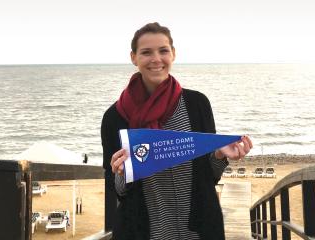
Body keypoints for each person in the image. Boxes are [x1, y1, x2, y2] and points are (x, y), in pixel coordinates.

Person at [101, 22, 253, 240]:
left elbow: (209, 176)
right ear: (134, 57)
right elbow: (117, 190)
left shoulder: (197, 104)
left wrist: (220, 155)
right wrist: (122, 173)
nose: (156, 59)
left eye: (163, 51)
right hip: (144, 231)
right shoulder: (115, 117)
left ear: (173, 54)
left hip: (199, 230)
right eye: (146, 52)